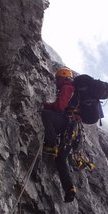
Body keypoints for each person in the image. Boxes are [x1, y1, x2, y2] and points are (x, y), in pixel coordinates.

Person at [41, 67, 79, 203]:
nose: (56, 81)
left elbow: (60, 107)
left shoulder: (67, 87)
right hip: (72, 131)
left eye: (58, 79)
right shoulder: (75, 90)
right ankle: (69, 189)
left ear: (63, 77)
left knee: (45, 114)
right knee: (61, 159)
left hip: (66, 124)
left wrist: (47, 105)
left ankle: (51, 145)